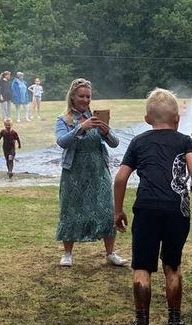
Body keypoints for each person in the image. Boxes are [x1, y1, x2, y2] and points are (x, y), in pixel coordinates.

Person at [113, 88, 192, 325]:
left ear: (147, 119)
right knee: (172, 266)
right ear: (177, 119)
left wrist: (118, 210)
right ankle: (175, 324)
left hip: (147, 208)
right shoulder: (184, 141)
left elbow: (121, 177)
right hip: (177, 209)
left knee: (142, 267)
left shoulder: (138, 142)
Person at [54, 78, 128, 267]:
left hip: (98, 170)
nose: (85, 100)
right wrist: (81, 128)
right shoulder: (64, 119)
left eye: (88, 96)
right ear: (72, 96)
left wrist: (106, 131)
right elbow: (62, 141)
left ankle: (110, 253)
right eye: (81, 96)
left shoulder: (96, 117)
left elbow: (115, 143)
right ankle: (67, 253)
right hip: (74, 172)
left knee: (106, 209)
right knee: (71, 210)